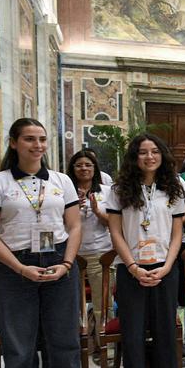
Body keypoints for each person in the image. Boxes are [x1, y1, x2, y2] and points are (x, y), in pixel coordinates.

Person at [0, 118, 82, 368]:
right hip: (14, 268)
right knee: (20, 345)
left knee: (63, 341)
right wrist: (19, 268)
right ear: (13, 143)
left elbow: (75, 226)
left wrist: (66, 263)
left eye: (42, 140)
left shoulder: (62, 180)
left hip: (58, 263)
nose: (37, 146)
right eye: (29, 139)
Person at [105, 133, 185, 368]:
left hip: (165, 267)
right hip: (132, 269)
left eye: (154, 151)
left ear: (162, 155)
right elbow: (115, 231)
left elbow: (178, 232)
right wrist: (131, 266)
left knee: (165, 330)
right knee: (134, 334)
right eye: (142, 152)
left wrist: (167, 266)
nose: (149, 157)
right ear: (134, 157)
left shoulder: (174, 188)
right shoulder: (118, 190)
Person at [67, 150, 114, 354]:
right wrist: (73, 207)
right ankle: (80, 341)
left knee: (103, 302)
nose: (84, 169)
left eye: (88, 165)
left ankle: (105, 342)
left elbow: (112, 223)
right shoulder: (65, 191)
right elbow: (58, 223)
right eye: (79, 165)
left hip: (100, 251)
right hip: (71, 253)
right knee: (72, 303)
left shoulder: (106, 191)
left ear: (95, 168)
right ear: (72, 169)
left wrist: (96, 211)